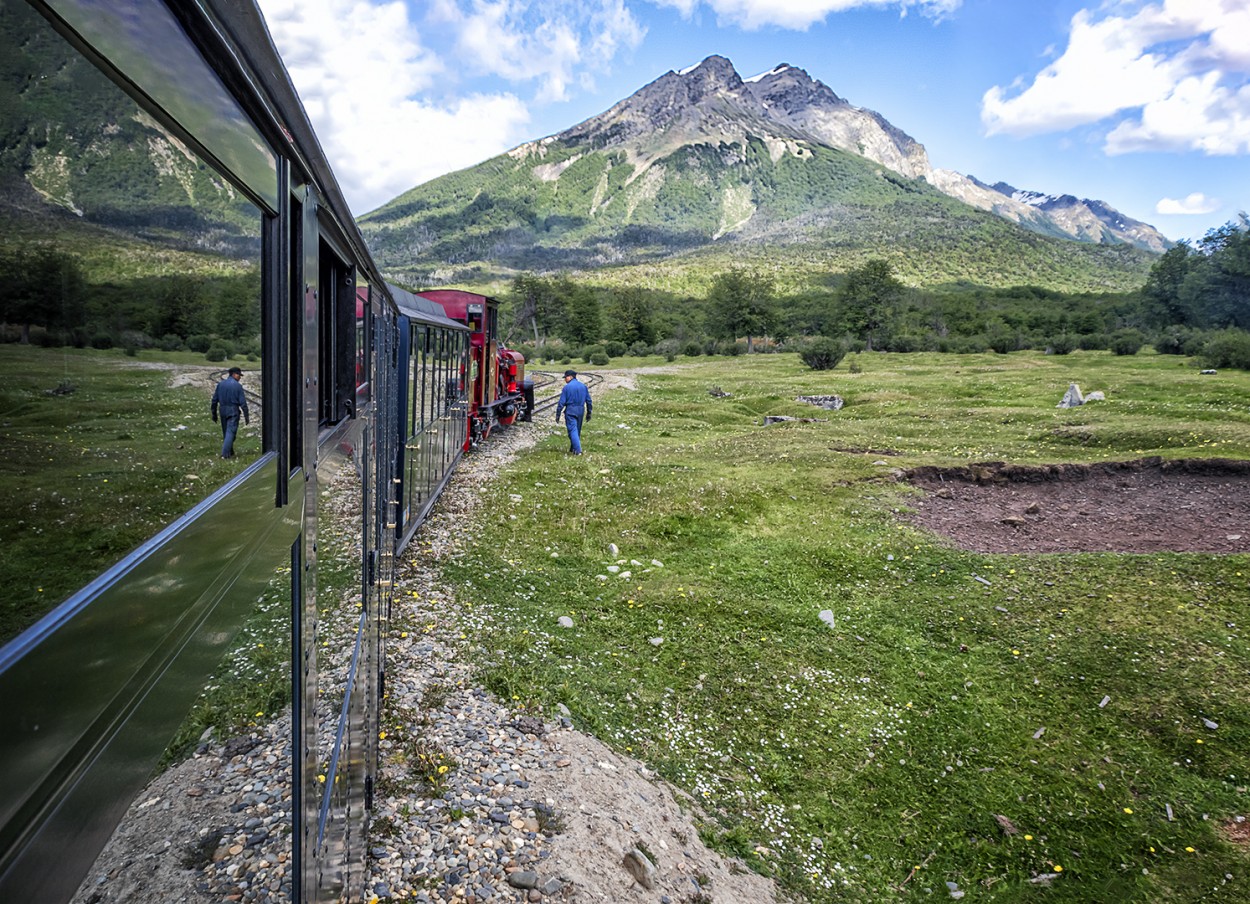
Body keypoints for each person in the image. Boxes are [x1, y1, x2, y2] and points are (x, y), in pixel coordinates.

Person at [211, 366, 250, 459]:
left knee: (226, 432)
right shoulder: (238, 386)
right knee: (231, 432)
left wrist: (214, 414)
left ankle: (230, 452)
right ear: (234, 374)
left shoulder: (220, 384)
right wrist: (246, 416)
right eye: (239, 375)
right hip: (233, 410)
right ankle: (225, 455)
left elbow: (214, 400)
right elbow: (243, 403)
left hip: (223, 409)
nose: (240, 377)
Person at [554, 369, 592, 455]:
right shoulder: (583, 386)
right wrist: (589, 412)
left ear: (570, 377)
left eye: (566, 377)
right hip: (581, 410)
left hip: (571, 410)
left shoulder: (567, 387)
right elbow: (589, 401)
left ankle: (578, 451)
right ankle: (573, 449)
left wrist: (558, 414)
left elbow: (561, 402)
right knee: (577, 430)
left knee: (572, 430)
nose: (565, 379)